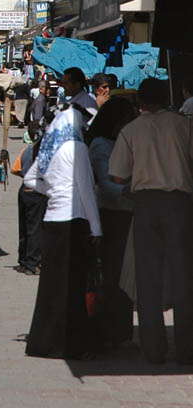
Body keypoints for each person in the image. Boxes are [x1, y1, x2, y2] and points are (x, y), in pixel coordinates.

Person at [109, 78, 193, 363]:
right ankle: (186, 348)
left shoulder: (131, 130)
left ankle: (154, 348)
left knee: (148, 278)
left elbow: (118, 175)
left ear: (141, 102)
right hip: (180, 204)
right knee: (184, 277)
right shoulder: (184, 126)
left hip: (145, 204)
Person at [23, 106, 102, 359]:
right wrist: (97, 228)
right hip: (74, 220)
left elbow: (29, 180)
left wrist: (54, 192)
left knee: (51, 287)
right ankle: (71, 345)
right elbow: (87, 190)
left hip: (52, 220)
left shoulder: (50, 147)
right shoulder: (77, 148)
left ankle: (44, 342)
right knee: (73, 286)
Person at [87, 97, 137, 345]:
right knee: (113, 274)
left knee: (124, 275)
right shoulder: (102, 145)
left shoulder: (121, 142)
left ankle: (121, 330)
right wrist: (131, 190)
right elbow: (107, 184)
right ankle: (109, 329)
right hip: (111, 214)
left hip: (125, 213)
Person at [13, 143, 46, 275]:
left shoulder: (26, 150)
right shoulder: (43, 150)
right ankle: (32, 263)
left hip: (24, 190)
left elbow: (15, 169)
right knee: (35, 229)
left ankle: (23, 260)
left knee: (24, 227)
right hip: (36, 190)